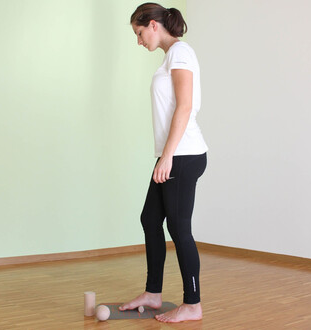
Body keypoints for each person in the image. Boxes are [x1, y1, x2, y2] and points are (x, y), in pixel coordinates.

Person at [119, 2, 208, 323]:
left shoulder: (181, 53)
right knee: (149, 219)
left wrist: (167, 156)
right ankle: (153, 293)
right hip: (174, 154)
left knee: (179, 228)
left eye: (139, 33)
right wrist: (165, 154)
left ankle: (193, 304)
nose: (139, 41)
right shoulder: (172, 57)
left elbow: (184, 107)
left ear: (154, 24)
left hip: (183, 155)